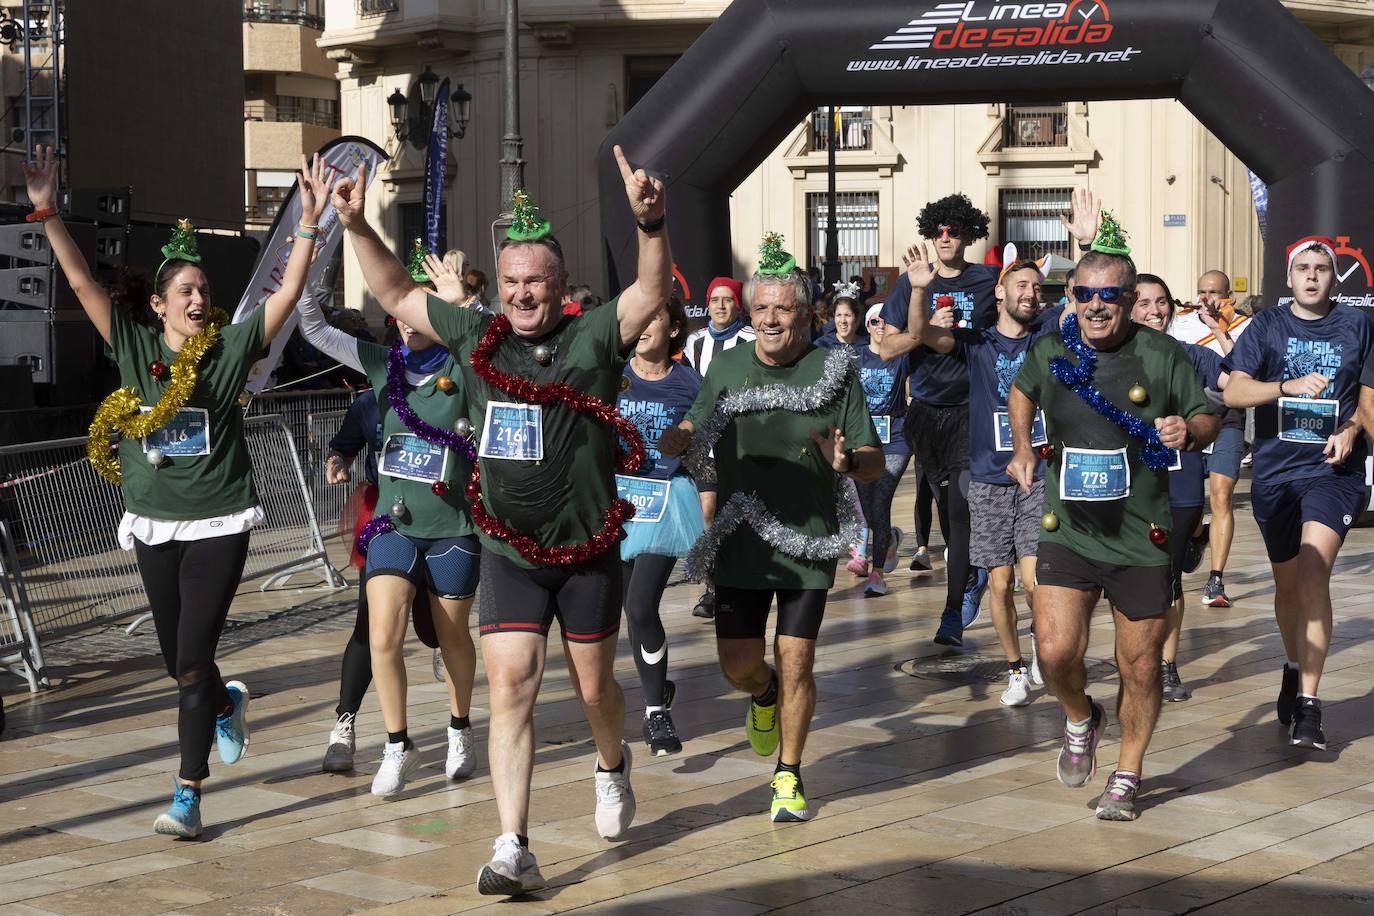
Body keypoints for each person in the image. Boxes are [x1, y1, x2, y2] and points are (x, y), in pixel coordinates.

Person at [331, 148, 669, 896]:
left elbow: (649, 289)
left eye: (535, 282)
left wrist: (651, 224)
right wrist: (354, 222)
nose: (521, 294)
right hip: (507, 551)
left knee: (593, 691)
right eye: (510, 281)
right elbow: (393, 290)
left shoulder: (593, 336)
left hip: (587, 551)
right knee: (510, 684)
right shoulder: (475, 338)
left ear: (558, 284)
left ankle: (612, 766)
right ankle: (514, 844)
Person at [23, 147, 332, 837]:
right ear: (159, 305)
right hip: (154, 522)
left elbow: (281, 298)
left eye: (203, 291)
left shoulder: (226, 353)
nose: (198, 299)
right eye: (184, 291)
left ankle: (187, 795)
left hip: (220, 522)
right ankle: (226, 704)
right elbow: (82, 287)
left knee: (191, 660)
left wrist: (309, 223)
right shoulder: (135, 350)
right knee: (177, 661)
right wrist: (45, 209)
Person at [660, 233, 883, 824]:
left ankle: (789, 773)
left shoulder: (834, 369)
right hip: (740, 540)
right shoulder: (729, 364)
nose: (770, 320)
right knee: (739, 662)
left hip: (808, 541)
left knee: (798, 660)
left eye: (782, 309)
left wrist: (847, 463)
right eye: (761, 309)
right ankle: (762, 694)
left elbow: (874, 459)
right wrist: (680, 437)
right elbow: (695, 421)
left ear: (807, 315)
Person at [1008, 214, 1217, 822]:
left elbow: (1207, 418)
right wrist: (1023, 448)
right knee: (1053, 653)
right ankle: (1081, 716)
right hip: (1068, 529)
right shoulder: (1050, 347)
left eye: (1109, 296)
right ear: (1069, 297)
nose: (1096, 307)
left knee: (1141, 664)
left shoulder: (1162, 353)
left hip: (1140, 534)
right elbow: (1021, 392)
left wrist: (1188, 428)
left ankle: (1127, 774)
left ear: (1128, 300)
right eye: (1084, 295)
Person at [296, 242, 482, 797]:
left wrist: (464, 305)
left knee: (452, 639)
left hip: (452, 528)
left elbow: (503, 345)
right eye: (397, 315)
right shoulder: (382, 364)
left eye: (415, 312)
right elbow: (315, 328)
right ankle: (396, 743)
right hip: (393, 526)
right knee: (382, 635)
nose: (404, 323)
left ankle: (459, 728)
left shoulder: (464, 365)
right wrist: (306, 261)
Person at [881, 190, 1099, 646]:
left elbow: (1062, 308)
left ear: (968, 235)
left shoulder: (988, 280)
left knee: (960, 513)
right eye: (938, 229)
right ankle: (975, 579)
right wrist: (927, 309)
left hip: (973, 410)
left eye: (954, 229)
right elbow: (889, 346)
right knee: (947, 513)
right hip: (926, 412)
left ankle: (953, 612)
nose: (945, 237)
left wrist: (1084, 248)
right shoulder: (911, 282)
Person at [1228, 237, 1371, 751]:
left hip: (1334, 472)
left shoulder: (1357, 325)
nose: (1312, 276)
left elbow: (1369, 399)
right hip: (1274, 475)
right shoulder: (1266, 325)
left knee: (1313, 569)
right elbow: (1234, 390)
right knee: (1287, 585)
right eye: (1303, 269)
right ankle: (1293, 667)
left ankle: (1309, 705)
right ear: (1289, 279)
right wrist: (1283, 388)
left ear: (1335, 279)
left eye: (1322, 269)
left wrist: (1354, 428)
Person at [901, 247, 1056, 705]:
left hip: (1037, 474)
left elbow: (1084, 306)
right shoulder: (977, 343)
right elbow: (918, 333)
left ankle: (1040, 645)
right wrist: (917, 290)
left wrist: (1087, 245)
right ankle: (1014, 671)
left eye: (1035, 287)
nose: (1030, 294)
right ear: (1000, 291)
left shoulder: (1044, 339)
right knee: (1001, 582)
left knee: (1033, 583)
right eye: (1021, 285)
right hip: (988, 478)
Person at [317, 389, 451, 772]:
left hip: (442, 522)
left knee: (432, 625)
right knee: (371, 625)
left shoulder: (450, 384)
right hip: (386, 523)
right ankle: (344, 725)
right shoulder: (368, 400)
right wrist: (337, 462)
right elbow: (343, 446)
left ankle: (444, 646)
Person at [1132, 275, 1229, 704]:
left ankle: (1167, 666)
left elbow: (1235, 382)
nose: (1155, 310)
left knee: (1169, 579)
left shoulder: (1193, 356)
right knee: (1136, 577)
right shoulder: (1111, 357)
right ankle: (1137, 659)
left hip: (1182, 481)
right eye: (1144, 302)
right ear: (1128, 308)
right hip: (1130, 484)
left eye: (1162, 302)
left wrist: (1281, 387)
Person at [616, 296, 705, 756]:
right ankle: (657, 687)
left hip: (666, 502)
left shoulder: (690, 382)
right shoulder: (612, 373)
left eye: (656, 317)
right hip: (616, 503)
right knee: (632, 609)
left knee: (640, 603)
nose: (645, 325)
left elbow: (709, 439)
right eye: (641, 316)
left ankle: (655, 712)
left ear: (672, 328)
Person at [1168, 270, 1250, 609]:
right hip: (1188, 423)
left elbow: (1242, 375)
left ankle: (1215, 580)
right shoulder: (1180, 323)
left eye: (1214, 292)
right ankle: (1198, 534)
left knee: (1221, 497)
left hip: (1227, 419)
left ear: (1228, 294)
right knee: (1188, 504)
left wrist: (1219, 328)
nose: (1206, 298)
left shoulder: (1245, 326)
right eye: (1201, 290)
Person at [683, 275, 756, 620]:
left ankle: (747, 579)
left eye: (728, 300)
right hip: (707, 446)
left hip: (745, 444)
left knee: (743, 515)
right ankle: (714, 587)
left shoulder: (752, 339)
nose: (721, 306)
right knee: (709, 512)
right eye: (715, 300)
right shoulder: (693, 343)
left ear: (738, 305)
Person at [853, 303, 911, 597]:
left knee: (880, 500)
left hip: (897, 438)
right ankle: (888, 539)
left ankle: (877, 575)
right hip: (863, 439)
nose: (880, 326)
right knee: (866, 506)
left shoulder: (900, 357)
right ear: (867, 326)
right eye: (874, 321)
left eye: (885, 322)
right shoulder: (856, 357)